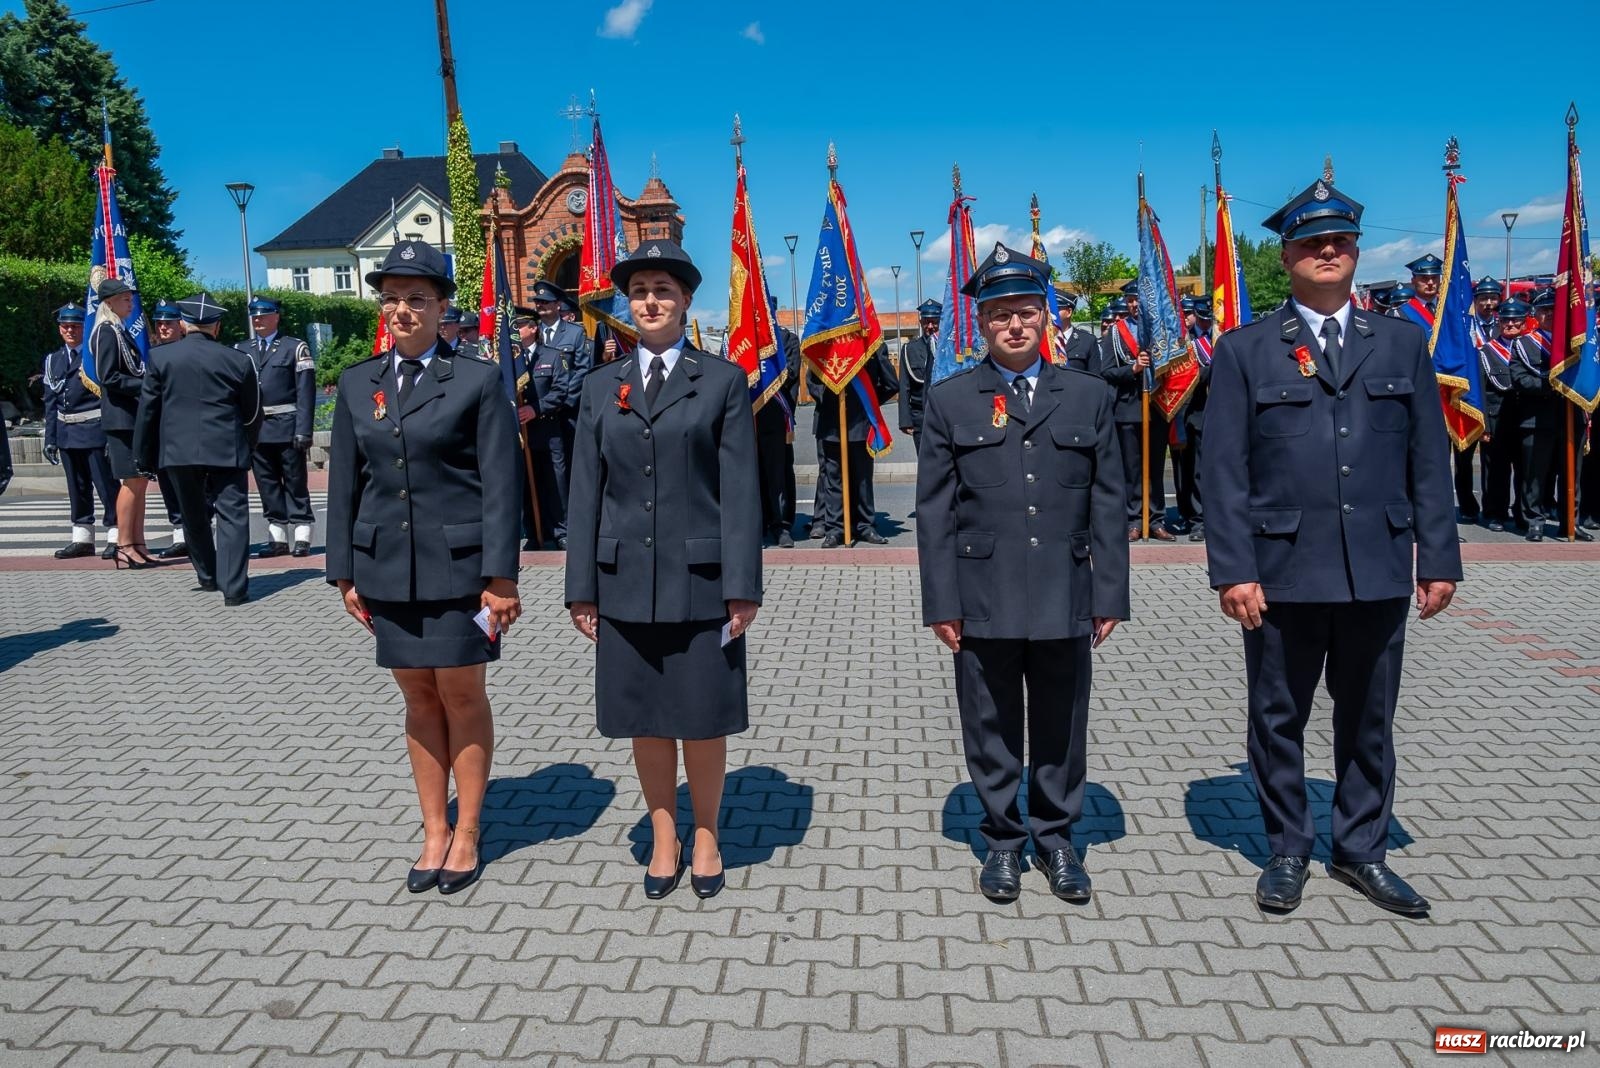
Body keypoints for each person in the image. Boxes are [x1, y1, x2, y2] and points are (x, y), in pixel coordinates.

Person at [1201, 176, 1461, 916]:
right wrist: (1233, 571)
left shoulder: (1401, 344)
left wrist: (1440, 559)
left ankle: (1361, 851)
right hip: (1281, 571)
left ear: (1356, 252)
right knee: (1278, 717)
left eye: (1340, 240)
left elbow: (1427, 461)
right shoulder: (1247, 350)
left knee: (1369, 719)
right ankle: (1288, 848)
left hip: (1377, 566)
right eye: (1312, 242)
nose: (1327, 251)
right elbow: (1223, 472)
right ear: (1286, 257)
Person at [916, 242, 1129, 903]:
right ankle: (1003, 840)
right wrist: (941, 603)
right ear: (981, 322)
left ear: (1047, 317)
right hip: (984, 592)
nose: (1014, 324)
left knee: (1062, 721)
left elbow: (1109, 502)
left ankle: (1057, 838)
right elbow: (935, 512)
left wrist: (1110, 594)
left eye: (1026, 312)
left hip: (1066, 588)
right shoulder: (951, 400)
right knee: (991, 722)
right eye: (1000, 314)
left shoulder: (1089, 395)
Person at [325, 239, 522, 896]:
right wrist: (344, 572)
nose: (402, 310)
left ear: (442, 307)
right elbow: (346, 484)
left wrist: (501, 578)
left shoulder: (475, 379)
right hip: (386, 570)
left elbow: (501, 486)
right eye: (391, 299)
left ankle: (468, 831)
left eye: (417, 298)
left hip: (460, 571)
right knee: (416, 697)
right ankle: (433, 829)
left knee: (461, 695)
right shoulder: (358, 383)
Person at [566, 239, 761, 901]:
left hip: (702, 581)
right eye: (639, 291)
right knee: (645, 717)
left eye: (663, 291)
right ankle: (663, 833)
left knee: (702, 716)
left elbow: (740, 491)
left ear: (686, 301)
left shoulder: (723, 381)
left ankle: (706, 834)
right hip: (622, 582)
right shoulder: (601, 386)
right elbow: (585, 493)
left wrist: (743, 587)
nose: (650, 302)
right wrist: (581, 589)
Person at [132, 292, 262, 605]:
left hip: (179, 449)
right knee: (233, 516)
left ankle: (207, 575)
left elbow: (149, 411)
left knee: (192, 515)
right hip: (226, 447)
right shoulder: (238, 360)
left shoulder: (161, 358)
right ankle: (234, 588)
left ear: (182, 324)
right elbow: (253, 411)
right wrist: (248, 443)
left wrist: (144, 455)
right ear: (216, 326)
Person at [236, 297, 316, 557]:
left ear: (276, 316)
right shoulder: (241, 349)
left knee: (295, 481)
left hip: (287, 427)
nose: (258, 319)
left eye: (263, 315)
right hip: (256, 430)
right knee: (267, 484)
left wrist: (304, 430)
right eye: (254, 315)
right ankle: (277, 538)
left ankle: (302, 534)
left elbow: (305, 392)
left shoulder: (294, 347)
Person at [41, 303, 118, 559]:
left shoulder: (93, 357)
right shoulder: (53, 360)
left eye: (75, 326)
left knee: (106, 487)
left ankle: (116, 535)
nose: (70, 331)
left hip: (95, 431)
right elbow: (50, 403)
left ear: (84, 328)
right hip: (66, 433)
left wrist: (111, 435)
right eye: (65, 326)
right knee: (77, 488)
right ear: (59, 329)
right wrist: (50, 439)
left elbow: (109, 397)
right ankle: (83, 538)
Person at [805, 341, 899, 547]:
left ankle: (865, 525)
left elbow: (891, 383)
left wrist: (868, 403)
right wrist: (831, 400)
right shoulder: (825, 342)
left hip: (861, 425)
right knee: (833, 479)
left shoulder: (872, 343)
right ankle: (835, 529)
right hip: (831, 424)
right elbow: (813, 381)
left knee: (862, 479)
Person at [1097, 295, 1176, 541]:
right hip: (1128, 409)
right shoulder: (1116, 333)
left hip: (1157, 407)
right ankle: (1133, 520)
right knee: (1131, 469)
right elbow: (1107, 371)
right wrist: (1133, 369)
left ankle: (1156, 520)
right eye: (1130, 300)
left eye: (1138, 299)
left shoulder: (1162, 330)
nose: (1134, 305)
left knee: (1155, 468)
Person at [147, 300, 193, 560]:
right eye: (159, 323)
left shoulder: (190, 352)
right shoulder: (151, 354)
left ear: (181, 325)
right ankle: (180, 536)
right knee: (167, 484)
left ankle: (197, 532)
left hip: (188, 431)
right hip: (161, 431)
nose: (163, 327)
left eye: (169, 323)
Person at [755, 291, 801, 547]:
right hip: (748, 419)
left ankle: (781, 524)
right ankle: (758, 521)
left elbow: (791, 373)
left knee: (778, 474)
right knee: (752, 473)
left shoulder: (787, 339)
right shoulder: (743, 340)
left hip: (776, 418)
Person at [1477, 299, 1521, 531]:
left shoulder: (1530, 347)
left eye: (1515, 320)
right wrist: (1483, 425)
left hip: (1524, 419)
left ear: (1524, 322)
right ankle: (1495, 513)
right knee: (1496, 470)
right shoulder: (1486, 352)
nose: (1510, 324)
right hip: (1496, 419)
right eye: (1505, 320)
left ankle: (1522, 514)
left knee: (1525, 470)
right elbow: (1481, 391)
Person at [1174, 295, 1215, 541]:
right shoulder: (1186, 340)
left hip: (1223, 412)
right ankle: (1199, 519)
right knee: (1196, 470)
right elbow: (1187, 374)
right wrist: (1214, 369)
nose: (1207, 323)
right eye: (1203, 318)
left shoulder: (1223, 335)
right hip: (1196, 413)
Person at [898, 299, 941, 452]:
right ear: (921, 322)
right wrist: (905, 420)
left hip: (945, 412)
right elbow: (904, 386)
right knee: (924, 459)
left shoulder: (948, 349)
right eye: (926, 322)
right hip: (920, 415)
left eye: (935, 322)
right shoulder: (909, 349)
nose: (930, 326)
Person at [1054, 292, 1098, 372]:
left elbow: (1095, 375)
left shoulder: (1087, 340)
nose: (1050, 313)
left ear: (1069, 312)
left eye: (1055, 309)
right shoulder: (1041, 339)